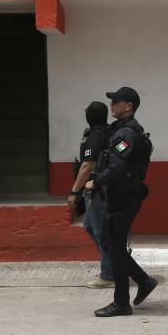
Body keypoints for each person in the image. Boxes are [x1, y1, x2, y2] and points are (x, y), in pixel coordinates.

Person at [85, 86, 157, 317]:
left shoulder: (126, 133)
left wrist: (95, 183)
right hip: (123, 196)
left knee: (112, 246)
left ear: (129, 106)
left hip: (123, 198)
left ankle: (122, 302)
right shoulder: (122, 129)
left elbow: (118, 167)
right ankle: (143, 281)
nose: (111, 105)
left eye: (116, 101)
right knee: (111, 244)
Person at [67, 101, 114, 289]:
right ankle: (112, 264)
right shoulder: (108, 132)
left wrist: (74, 191)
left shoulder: (96, 136)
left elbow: (87, 166)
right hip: (104, 188)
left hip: (97, 190)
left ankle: (108, 275)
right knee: (89, 225)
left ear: (89, 117)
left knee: (100, 231)